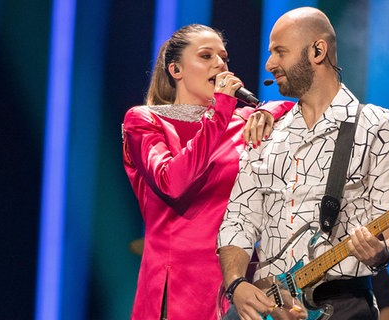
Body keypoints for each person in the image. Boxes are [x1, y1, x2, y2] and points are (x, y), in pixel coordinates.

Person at [217, 7, 389, 320]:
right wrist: (236, 284)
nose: (269, 64)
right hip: (271, 306)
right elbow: (238, 221)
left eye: (280, 52)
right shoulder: (267, 132)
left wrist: (383, 251)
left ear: (317, 50)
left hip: (344, 304)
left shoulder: (376, 125)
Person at [122, 24, 293, 320]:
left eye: (223, 57)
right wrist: (221, 110)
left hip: (236, 282)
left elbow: (294, 107)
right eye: (206, 56)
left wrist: (266, 111)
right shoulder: (145, 121)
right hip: (175, 290)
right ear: (176, 70)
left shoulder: (240, 121)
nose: (219, 64)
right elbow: (172, 183)